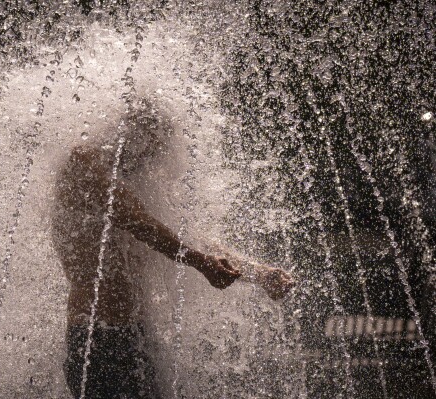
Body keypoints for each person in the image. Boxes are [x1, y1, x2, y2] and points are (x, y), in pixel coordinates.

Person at [50, 97, 294, 398]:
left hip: (137, 335)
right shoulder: (84, 162)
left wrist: (257, 273)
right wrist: (202, 264)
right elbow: (139, 223)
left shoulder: (132, 179)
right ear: (129, 132)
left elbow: (187, 236)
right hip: (97, 338)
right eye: (150, 144)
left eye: (157, 149)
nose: (152, 158)